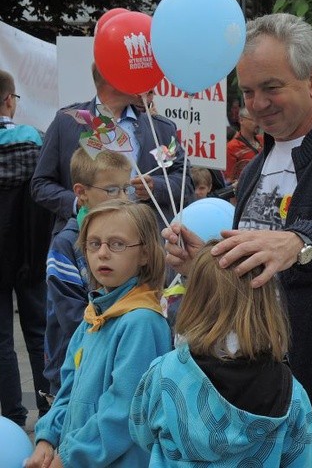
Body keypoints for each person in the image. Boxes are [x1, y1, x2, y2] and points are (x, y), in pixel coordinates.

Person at [162, 13, 312, 468]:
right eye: (247, 92)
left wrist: (296, 243)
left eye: (271, 87)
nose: (257, 104)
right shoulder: (254, 167)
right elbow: (257, 266)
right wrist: (203, 265)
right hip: (256, 392)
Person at [130, 242, 312, 466]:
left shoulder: (163, 373)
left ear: (194, 299)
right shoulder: (290, 392)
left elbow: (141, 433)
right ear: (268, 304)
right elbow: (306, 461)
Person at [27, 200, 172, 468]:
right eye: (94, 244)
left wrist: (71, 456)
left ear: (145, 254)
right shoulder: (93, 316)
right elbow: (67, 391)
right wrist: (47, 439)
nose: (102, 253)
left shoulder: (141, 322)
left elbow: (123, 411)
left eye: (117, 244)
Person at [31, 63, 193, 235]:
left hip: (144, 241)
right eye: (134, 75)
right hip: (83, 240)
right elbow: (40, 184)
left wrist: (155, 187)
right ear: (113, 80)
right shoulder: (66, 122)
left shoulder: (161, 129)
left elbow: (186, 183)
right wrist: (80, 202)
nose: (144, 83)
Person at [43, 148, 133, 395]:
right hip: (73, 369)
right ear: (81, 193)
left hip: (112, 359)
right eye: (112, 190)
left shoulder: (130, 238)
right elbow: (72, 316)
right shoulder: (66, 245)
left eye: (127, 188)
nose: (124, 198)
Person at [0, 69, 51, 427]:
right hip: (31, 253)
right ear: (8, 100)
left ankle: (13, 415)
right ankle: (48, 408)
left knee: (1, 338)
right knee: (38, 332)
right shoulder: (36, 142)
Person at [224, 107, 263, 184]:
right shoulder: (231, 147)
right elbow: (229, 180)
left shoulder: (263, 140)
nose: (258, 123)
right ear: (241, 120)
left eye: (258, 119)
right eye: (253, 119)